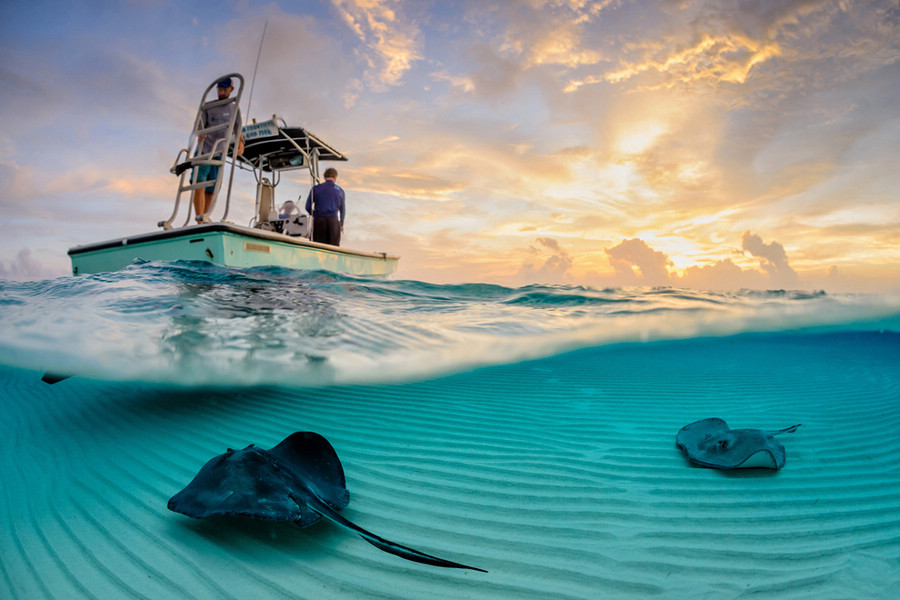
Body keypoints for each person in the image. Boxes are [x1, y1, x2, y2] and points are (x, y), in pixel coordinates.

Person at [192, 77, 244, 222]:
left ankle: (205, 216)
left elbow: (238, 127)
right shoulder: (208, 106)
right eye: (219, 89)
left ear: (231, 89)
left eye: (224, 89)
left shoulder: (234, 108)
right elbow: (199, 123)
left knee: (212, 188)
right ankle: (199, 220)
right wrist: (200, 132)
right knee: (199, 183)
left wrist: (240, 142)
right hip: (205, 150)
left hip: (220, 153)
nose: (221, 91)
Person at [305, 167, 345, 246]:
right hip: (334, 222)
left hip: (319, 221)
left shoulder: (316, 189)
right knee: (334, 249)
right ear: (335, 177)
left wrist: (316, 215)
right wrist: (341, 224)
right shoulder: (340, 190)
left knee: (319, 247)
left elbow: (307, 207)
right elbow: (342, 210)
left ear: (324, 177)